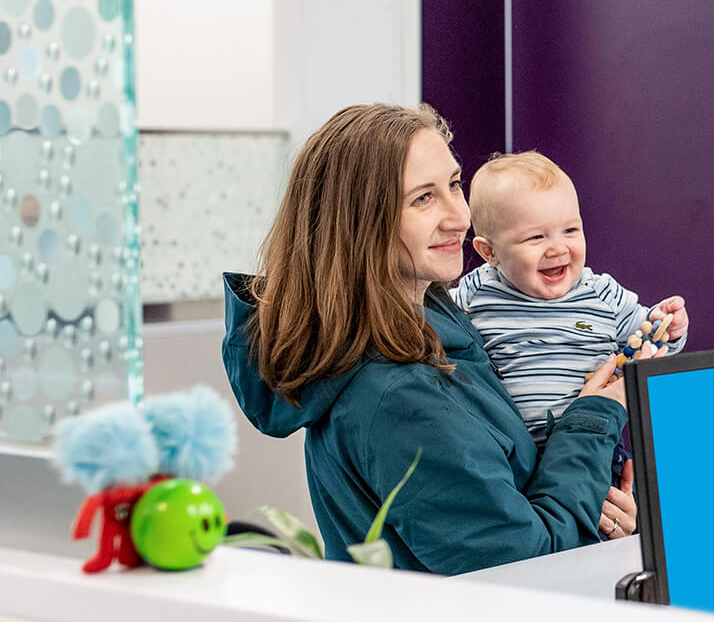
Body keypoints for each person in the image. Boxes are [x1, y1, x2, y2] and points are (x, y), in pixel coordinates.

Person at [221, 104, 650, 574]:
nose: (460, 217)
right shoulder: (397, 396)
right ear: (361, 223)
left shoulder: (438, 325)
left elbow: (519, 506)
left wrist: (600, 515)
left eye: (452, 184)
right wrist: (594, 418)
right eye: (422, 199)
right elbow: (523, 569)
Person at [450, 151, 689, 447]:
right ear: (490, 253)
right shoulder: (477, 291)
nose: (557, 248)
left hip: (593, 450)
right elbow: (426, 324)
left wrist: (668, 325)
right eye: (535, 237)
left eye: (570, 230)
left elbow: (650, 342)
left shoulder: (601, 293)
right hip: (509, 457)